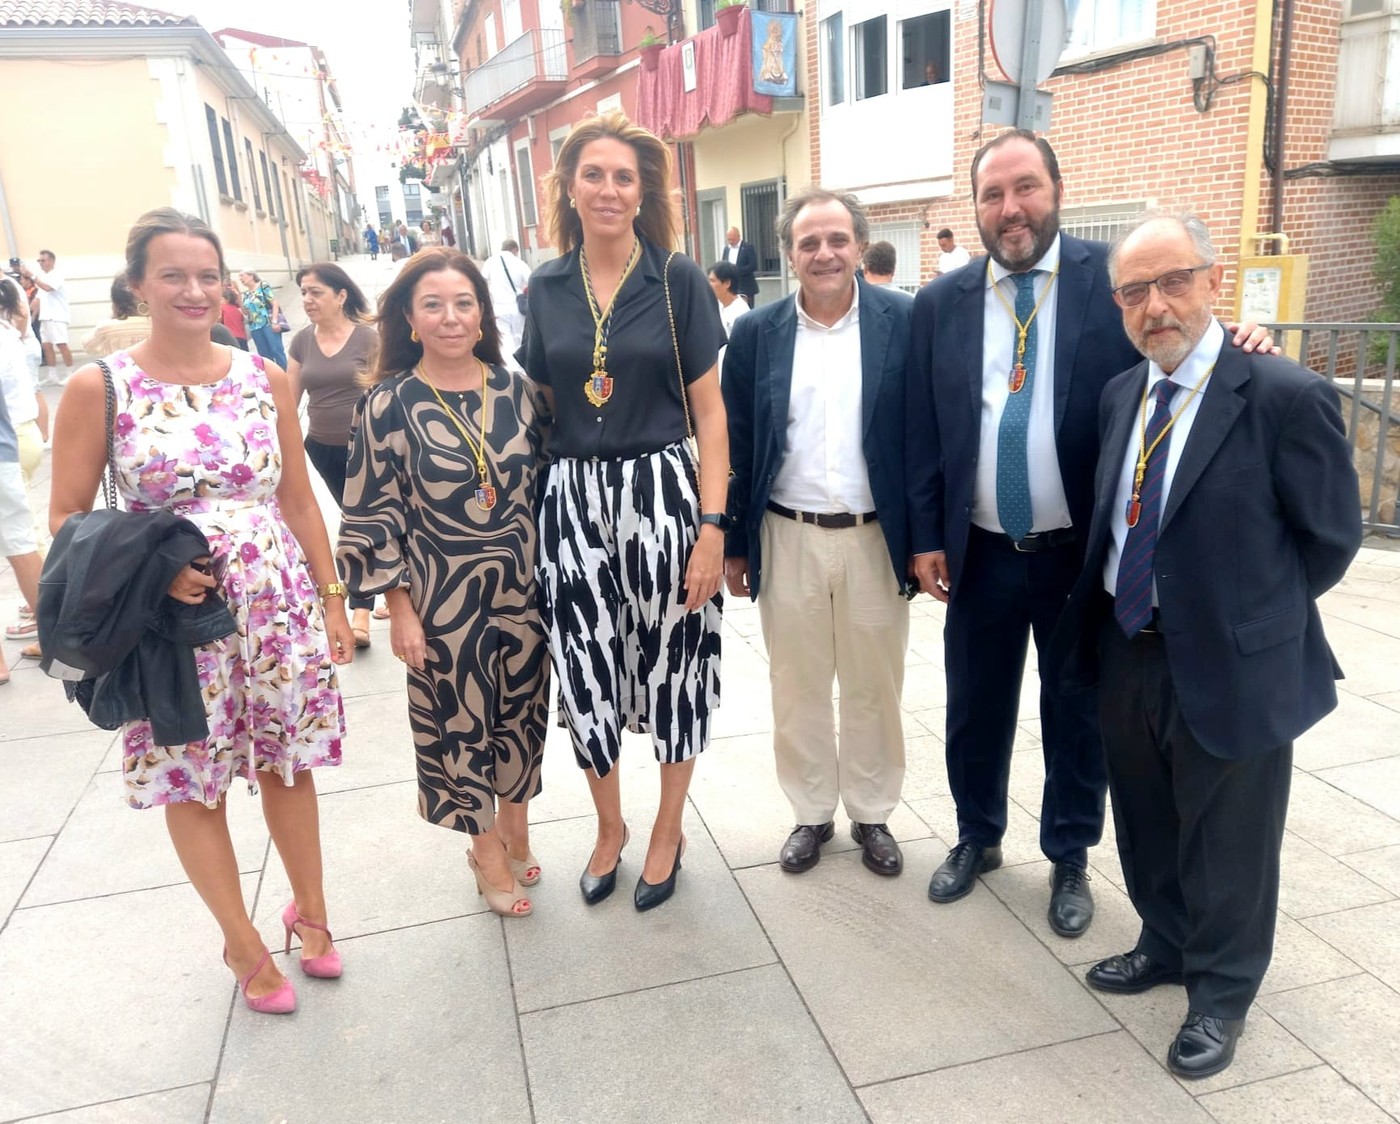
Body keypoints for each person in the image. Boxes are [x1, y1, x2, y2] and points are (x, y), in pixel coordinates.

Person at [905, 129, 1273, 938]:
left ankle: (1069, 855)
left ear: (1056, 189)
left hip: (1080, 553)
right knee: (975, 704)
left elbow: (1179, 338)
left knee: (1078, 711)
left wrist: (1244, 340)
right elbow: (925, 430)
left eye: (1026, 187)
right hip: (980, 550)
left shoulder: (1111, 280)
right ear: (974, 207)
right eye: (993, 194)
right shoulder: (942, 303)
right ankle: (977, 836)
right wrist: (925, 534)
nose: (1011, 208)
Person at [1054, 212, 1361, 1078]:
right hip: (1128, 646)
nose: (1157, 305)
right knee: (1145, 819)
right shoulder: (1125, 393)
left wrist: (1249, 618)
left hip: (1232, 662)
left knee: (1229, 838)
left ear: (1213, 281)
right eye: (1135, 291)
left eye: (1173, 281)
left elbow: (1329, 540)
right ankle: (1166, 942)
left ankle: (1221, 994)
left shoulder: (1282, 396)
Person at [47, 207, 352, 1015]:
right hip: (172, 625)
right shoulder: (99, 387)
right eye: (173, 275)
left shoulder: (264, 376)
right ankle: (243, 943)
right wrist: (156, 574)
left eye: (207, 275)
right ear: (138, 283)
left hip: (275, 606)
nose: (193, 289)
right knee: (195, 779)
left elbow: (297, 499)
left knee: (290, 762)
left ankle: (312, 917)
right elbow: (67, 520)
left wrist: (331, 601)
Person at [520, 110, 728, 912]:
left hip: (665, 496)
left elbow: (711, 415)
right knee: (585, 663)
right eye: (594, 175)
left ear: (644, 193)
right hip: (572, 498)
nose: (609, 189)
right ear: (569, 187)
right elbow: (536, 405)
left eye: (624, 177)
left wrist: (712, 530)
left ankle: (668, 829)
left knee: (677, 661)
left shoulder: (676, 279)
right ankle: (609, 827)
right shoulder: (544, 286)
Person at [338, 248, 551, 918]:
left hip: (522, 589)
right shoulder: (387, 404)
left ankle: (514, 825)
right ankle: (484, 848)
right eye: (433, 304)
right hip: (440, 597)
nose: (451, 317)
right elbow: (373, 511)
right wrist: (397, 607)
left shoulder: (516, 389)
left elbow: (543, 486)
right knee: (460, 725)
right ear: (408, 317)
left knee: (521, 714)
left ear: (483, 312)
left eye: (464, 303)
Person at [724, 187, 913, 878]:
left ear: (860, 246)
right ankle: (810, 812)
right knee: (797, 683)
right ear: (790, 254)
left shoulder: (904, 320)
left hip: (875, 536)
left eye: (837, 239)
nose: (825, 253)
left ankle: (872, 812)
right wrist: (737, 543)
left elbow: (925, 436)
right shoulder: (756, 333)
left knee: (874, 683)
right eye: (809, 242)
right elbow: (741, 441)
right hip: (787, 532)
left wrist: (925, 541)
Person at [286, 263, 379, 646]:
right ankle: (386, 586)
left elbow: (385, 393)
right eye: (304, 292)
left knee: (359, 520)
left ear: (341, 296)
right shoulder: (301, 342)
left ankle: (361, 611)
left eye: (316, 292)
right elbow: (288, 403)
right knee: (358, 517)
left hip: (368, 447)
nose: (307, 300)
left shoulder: (368, 339)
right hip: (322, 447)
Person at [0, 293, 44, 683]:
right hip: (8, 446)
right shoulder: (10, 334)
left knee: (20, 541)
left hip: (8, 446)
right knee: (20, 541)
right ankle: (55, 636)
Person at [21, 250, 72, 383]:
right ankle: (52, 374)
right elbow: (37, 300)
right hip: (46, 317)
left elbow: (48, 288)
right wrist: (28, 316)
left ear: (51, 261)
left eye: (43, 260)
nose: (41, 263)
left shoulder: (57, 275)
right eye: (39, 261)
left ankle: (70, 372)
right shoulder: (42, 276)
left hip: (57, 316)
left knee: (61, 344)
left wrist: (32, 276)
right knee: (46, 345)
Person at [483, 239, 531, 365]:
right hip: (518, 309)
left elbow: (482, 280)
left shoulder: (490, 261)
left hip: (498, 308)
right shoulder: (519, 263)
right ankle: (521, 369)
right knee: (519, 339)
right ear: (515, 249)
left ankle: (509, 370)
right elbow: (531, 281)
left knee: (505, 341)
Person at [83, 275, 153, 355]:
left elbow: (87, 346)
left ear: (115, 299)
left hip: (116, 367)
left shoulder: (105, 329)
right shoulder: (160, 326)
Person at [237, 270, 288, 368]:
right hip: (255, 327)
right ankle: (273, 378)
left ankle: (285, 376)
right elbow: (246, 313)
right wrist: (239, 298)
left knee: (276, 351)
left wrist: (274, 321)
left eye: (242, 276)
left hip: (268, 323)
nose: (240, 279)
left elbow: (275, 303)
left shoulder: (262, 286)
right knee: (264, 356)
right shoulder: (246, 294)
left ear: (251, 276)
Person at [707, 260, 748, 338]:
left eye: (713, 281)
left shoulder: (741, 313)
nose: (709, 285)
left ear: (727, 283)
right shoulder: (716, 305)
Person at [723, 226, 759, 307]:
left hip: (746, 287)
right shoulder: (726, 249)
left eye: (732, 239)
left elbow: (753, 266)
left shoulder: (748, 247)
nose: (731, 242)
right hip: (731, 287)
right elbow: (723, 263)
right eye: (729, 239)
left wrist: (736, 271)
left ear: (738, 236)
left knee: (747, 310)